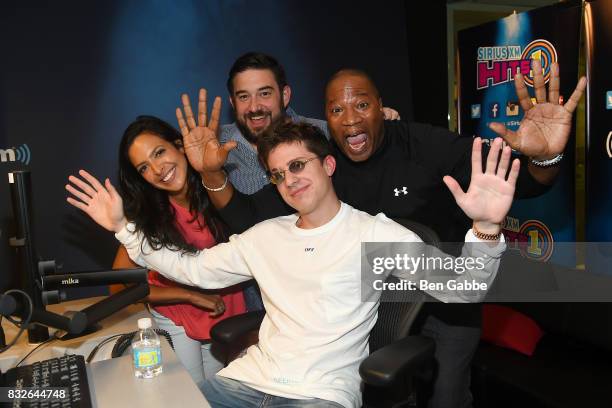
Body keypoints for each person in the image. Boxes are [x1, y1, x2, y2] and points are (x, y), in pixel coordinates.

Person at [182, 60, 587, 408]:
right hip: (359, 308)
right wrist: (211, 174)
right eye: (337, 109)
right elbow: (251, 219)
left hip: (440, 291)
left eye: (361, 105)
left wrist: (545, 156)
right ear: (324, 119)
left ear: (382, 107)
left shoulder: (425, 146)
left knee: (447, 394)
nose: (351, 118)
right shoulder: (317, 165)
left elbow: (520, 183)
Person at [66, 119, 518, 408]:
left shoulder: (375, 234)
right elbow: (194, 270)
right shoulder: (266, 236)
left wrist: (485, 229)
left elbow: (464, 288)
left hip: (319, 395)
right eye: (279, 175)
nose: (289, 181)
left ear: (328, 165)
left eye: (298, 165)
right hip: (242, 383)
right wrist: (125, 229)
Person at [177, 52, 400, 312]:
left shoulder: (325, 134)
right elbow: (231, 227)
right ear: (232, 101)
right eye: (243, 96)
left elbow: (453, 283)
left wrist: (373, 120)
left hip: (332, 293)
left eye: (264, 93)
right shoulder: (213, 145)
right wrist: (209, 171)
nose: (254, 106)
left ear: (285, 95)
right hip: (256, 297)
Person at [68, 115, 247, 389]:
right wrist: (189, 295)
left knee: (216, 389)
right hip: (177, 314)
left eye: (159, 152)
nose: (157, 169)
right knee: (191, 393)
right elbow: (121, 286)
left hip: (223, 309)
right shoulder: (148, 216)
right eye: (144, 167)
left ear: (180, 145)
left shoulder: (217, 190)